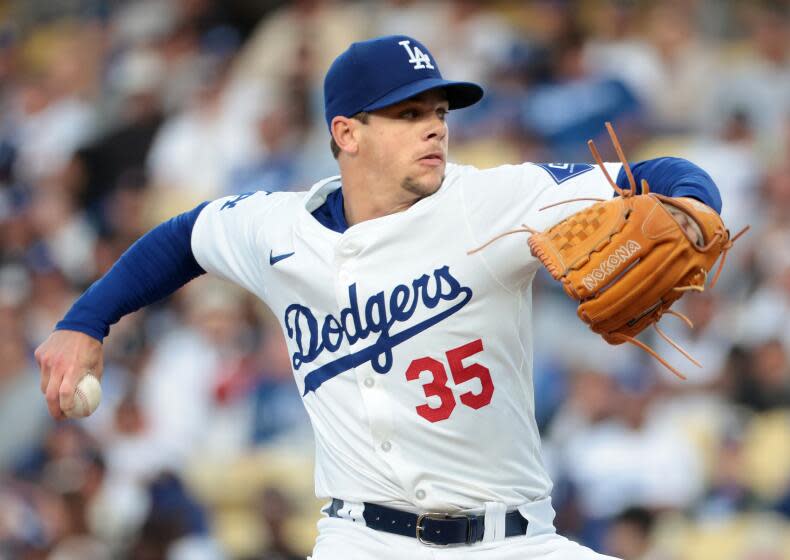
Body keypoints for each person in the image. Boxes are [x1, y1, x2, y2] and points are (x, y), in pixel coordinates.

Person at [35, 35, 722, 558]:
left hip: (512, 539)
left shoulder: (493, 198)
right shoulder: (277, 229)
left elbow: (656, 172)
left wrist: (694, 205)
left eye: (438, 110)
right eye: (407, 113)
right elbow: (184, 237)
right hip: (364, 540)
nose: (434, 126)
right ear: (346, 133)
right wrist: (84, 320)